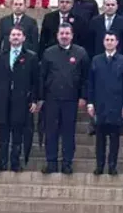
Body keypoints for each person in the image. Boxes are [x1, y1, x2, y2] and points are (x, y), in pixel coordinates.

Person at [40, 24, 90, 174]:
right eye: (61, 33)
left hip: (71, 99)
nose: (64, 36)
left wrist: (83, 96)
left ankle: (67, 163)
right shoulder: (49, 52)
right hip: (52, 99)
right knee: (51, 132)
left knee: (68, 132)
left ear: (72, 35)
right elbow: (42, 77)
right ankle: (51, 162)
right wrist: (40, 97)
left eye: (67, 33)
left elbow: (85, 77)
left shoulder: (80, 53)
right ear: (57, 35)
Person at [0, 26, 39, 172]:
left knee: (18, 135)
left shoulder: (31, 57)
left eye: (18, 35)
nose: (15, 37)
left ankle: (15, 163)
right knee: (3, 135)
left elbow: (35, 81)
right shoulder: (1, 57)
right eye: (13, 35)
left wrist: (34, 100)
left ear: (23, 38)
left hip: (21, 101)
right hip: (3, 100)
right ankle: (2, 162)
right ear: (9, 38)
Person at [87, 32, 123, 175]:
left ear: (117, 42)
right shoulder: (96, 60)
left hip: (116, 104)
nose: (109, 42)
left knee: (114, 138)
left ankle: (112, 166)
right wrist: (90, 103)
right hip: (100, 104)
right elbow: (91, 83)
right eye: (107, 39)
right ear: (103, 42)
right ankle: (99, 166)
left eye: (112, 40)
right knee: (100, 138)